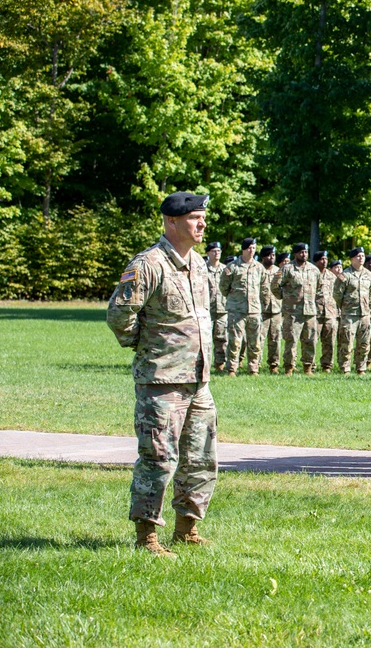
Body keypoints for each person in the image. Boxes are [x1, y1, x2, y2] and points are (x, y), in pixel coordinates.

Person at [106, 191, 217, 557]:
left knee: (201, 457)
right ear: (171, 221)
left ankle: (187, 528)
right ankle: (147, 536)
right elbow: (120, 315)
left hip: (197, 380)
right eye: (194, 218)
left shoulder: (199, 264)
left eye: (202, 217)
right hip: (161, 380)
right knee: (158, 458)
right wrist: (146, 346)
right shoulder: (148, 264)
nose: (201, 224)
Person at [220, 238, 269, 377]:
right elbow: (223, 286)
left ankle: (253, 368)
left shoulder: (259, 268)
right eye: (249, 248)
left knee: (255, 342)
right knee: (235, 341)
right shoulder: (233, 266)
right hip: (237, 310)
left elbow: (264, 288)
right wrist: (234, 299)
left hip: (254, 310)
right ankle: (231, 369)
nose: (251, 250)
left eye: (253, 248)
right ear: (243, 249)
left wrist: (263, 305)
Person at [272, 242, 322, 375]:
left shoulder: (313, 270)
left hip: (310, 312)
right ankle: (289, 367)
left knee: (310, 341)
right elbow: (275, 286)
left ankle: (308, 367)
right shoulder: (287, 269)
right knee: (291, 341)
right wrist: (285, 297)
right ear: (295, 254)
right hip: (293, 311)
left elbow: (320, 288)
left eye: (305, 252)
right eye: (301, 252)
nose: (304, 254)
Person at [334, 247, 371, 375]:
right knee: (346, 343)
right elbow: (337, 294)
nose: (361, 258)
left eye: (362, 255)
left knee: (364, 343)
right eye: (358, 256)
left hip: (365, 314)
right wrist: (345, 307)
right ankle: (345, 368)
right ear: (352, 259)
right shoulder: (344, 276)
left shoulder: (369, 276)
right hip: (349, 314)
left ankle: (361, 368)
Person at [313, 252, 339, 373]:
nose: (324, 261)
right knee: (312, 340)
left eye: (326, 259)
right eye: (322, 259)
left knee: (329, 341)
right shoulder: (311, 273)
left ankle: (327, 365)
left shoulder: (332, 276)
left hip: (330, 312)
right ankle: (310, 365)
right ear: (316, 261)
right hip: (314, 312)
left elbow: (337, 294)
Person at [204, 242, 228, 372]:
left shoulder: (226, 269)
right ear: (208, 253)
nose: (216, 253)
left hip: (222, 309)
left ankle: (220, 364)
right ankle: (205, 365)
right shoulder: (202, 269)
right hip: (207, 310)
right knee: (205, 340)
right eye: (213, 251)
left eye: (218, 251)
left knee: (222, 339)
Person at [258, 246, 283, 374]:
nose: (272, 257)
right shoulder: (257, 269)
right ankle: (256, 365)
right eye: (269, 255)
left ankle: (274, 365)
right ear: (263, 257)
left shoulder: (279, 271)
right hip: (261, 310)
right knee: (258, 339)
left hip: (276, 310)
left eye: (273, 255)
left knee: (275, 339)